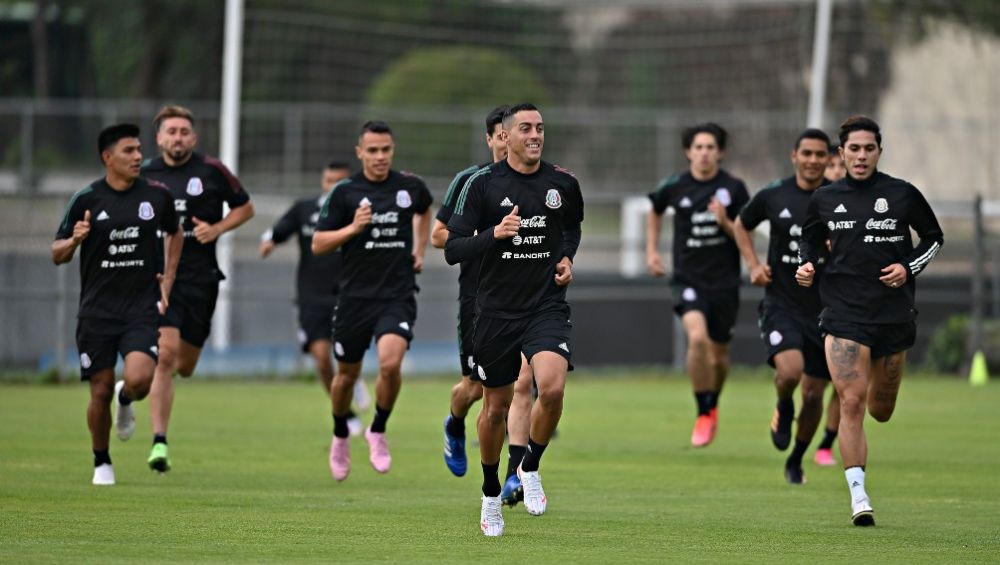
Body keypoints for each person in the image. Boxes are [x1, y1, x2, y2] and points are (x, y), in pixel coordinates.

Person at [796, 115, 943, 526]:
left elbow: (934, 237)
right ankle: (859, 497)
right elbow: (809, 237)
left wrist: (908, 268)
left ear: (879, 151)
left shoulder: (902, 194)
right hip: (843, 313)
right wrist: (808, 264)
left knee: (881, 409)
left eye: (869, 148)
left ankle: (860, 480)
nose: (861, 156)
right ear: (840, 154)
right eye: (854, 149)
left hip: (892, 316)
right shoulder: (824, 198)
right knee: (851, 401)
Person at [446, 103, 583, 537]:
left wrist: (565, 257)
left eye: (540, 127)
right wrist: (494, 235)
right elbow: (452, 248)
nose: (535, 135)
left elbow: (572, 227)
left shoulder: (562, 183)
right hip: (495, 312)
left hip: (545, 305)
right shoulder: (483, 185)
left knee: (553, 387)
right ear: (505, 136)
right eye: (525, 128)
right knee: (494, 409)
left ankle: (530, 466)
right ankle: (489, 497)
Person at [52, 124, 182, 485]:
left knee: (139, 380)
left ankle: (127, 399)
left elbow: (176, 231)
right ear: (107, 157)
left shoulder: (157, 195)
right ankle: (101, 462)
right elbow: (56, 253)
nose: (138, 156)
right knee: (99, 389)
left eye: (139, 149)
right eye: (129, 151)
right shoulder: (86, 199)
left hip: (140, 308)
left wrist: (168, 278)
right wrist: (74, 241)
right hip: (97, 312)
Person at [312, 120, 432, 483]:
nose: (380, 157)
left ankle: (377, 429)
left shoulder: (409, 187)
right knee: (346, 375)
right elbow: (318, 244)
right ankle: (339, 435)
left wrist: (419, 248)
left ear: (392, 150)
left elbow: (426, 209)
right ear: (359, 152)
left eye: (386, 150)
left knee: (390, 365)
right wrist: (352, 229)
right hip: (354, 299)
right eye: (373, 150)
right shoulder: (345, 193)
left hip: (397, 294)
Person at [141, 105, 255, 473]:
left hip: (201, 280)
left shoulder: (212, 171)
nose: (177, 137)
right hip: (159, 280)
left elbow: (246, 208)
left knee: (185, 366)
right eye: (170, 131)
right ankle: (159, 442)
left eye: (183, 132)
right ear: (159, 138)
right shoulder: (144, 176)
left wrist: (218, 228)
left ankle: (132, 389)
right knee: (166, 355)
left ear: (194, 137)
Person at [433, 105, 533, 498]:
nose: (509, 140)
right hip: (478, 298)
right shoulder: (470, 181)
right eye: (501, 135)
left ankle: (514, 475)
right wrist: (488, 233)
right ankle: (455, 423)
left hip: (521, 299)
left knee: (522, 382)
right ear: (491, 139)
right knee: (475, 389)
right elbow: (440, 237)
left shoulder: (535, 181)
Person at [733, 128, 833, 484]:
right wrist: (754, 265)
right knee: (790, 373)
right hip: (782, 302)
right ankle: (782, 404)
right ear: (794, 156)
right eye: (806, 153)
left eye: (820, 154)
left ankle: (796, 459)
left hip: (826, 311)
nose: (812, 160)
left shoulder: (838, 199)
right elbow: (741, 224)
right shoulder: (775, 194)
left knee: (814, 393)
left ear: (828, 159)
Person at [646, 123, 749, 447]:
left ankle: (712, 404)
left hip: (724, 283)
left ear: (720, 152)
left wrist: (725, 222)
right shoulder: (675, 186)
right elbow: (655, 208)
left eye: (710, 147)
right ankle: (703, 411)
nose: (704, 153)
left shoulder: (733, 189)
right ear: (688, 152)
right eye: (698, 147)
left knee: (718, 357)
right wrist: (651, 250)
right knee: (698, 338)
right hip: (688, 279)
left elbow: (743, 234)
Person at [259, 161, 371, 435]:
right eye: (328, 180)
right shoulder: (305, 209)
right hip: (312, 297)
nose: (332, 186)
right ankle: (345, 413)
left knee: (347, 354)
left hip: (349, 295)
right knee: (322, 359)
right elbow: (277, 230)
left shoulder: (361, 214)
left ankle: (351, 379)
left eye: (339, 181)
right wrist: (268, 241)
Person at [813, 141, 847, 467]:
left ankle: (826, 443)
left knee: (842, 384)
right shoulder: (817, 204)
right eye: (831, 166)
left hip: (844, 303)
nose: (836, 171)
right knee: (813, 382)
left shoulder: (859, 205)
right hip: (811, 302)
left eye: (840, 165)